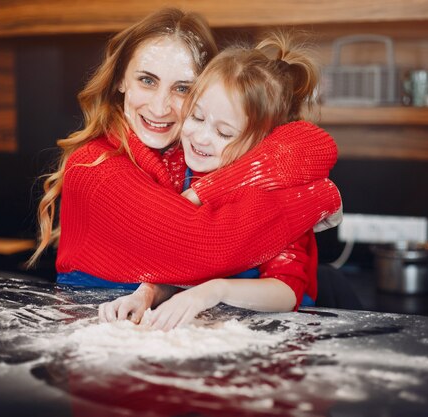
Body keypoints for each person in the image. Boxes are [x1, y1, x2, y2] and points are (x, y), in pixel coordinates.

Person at [28, 9, 342, 299]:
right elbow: (205, 246)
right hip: (96, 334)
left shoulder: (192, 153)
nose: (160, 107)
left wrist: (210, 188)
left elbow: (312, 143)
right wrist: (318, 198)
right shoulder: (93, 166)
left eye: (182, 89)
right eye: (147, 80)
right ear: (120, 80)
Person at [99, 32, 341, 330]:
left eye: (224, 133)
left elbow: (286, 291)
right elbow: (178, 262)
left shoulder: (277, 191)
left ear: (260, 143)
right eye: (197, 117)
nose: (200, 138)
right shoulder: (177, 168)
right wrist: (147, 293)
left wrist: (213, 291)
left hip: (272, 337)